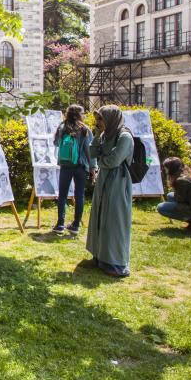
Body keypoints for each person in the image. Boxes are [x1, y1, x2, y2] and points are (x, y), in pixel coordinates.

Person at [86, 105, 133, 277]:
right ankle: (100, 255)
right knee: (100, 216)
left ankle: (115, 262)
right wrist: (97, 136)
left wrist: (101, 160)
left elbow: (114, 160)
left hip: (118, 181)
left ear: (111, 119)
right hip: (104, 180)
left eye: (101, 119)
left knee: (114, 219)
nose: (98, 122)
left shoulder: (125, 136)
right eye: (97, 119)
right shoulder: (106, 135)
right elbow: (92, 153)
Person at [51, 104, 95, 234]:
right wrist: (93, 167)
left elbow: (56, 143)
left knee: (63, 195)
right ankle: (75, 225)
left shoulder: (62, 127)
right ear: (80, 115)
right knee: (79, 195)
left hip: (66, 165)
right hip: (81, 166)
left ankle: (60, 224)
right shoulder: (85, 129)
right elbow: (89, 150)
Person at [156, 157, 191, 233]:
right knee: (170, 195)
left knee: (161, 207)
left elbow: (181, 200)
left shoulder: (180, 180)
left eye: (165, 167)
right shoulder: (188, 173)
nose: (164, 169)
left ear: (171, 168)